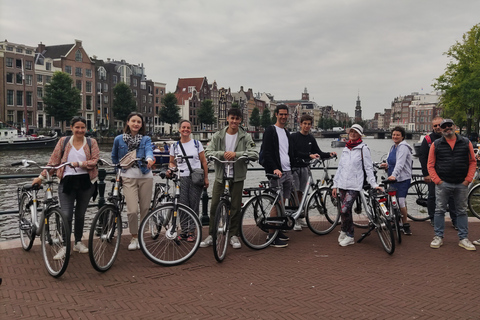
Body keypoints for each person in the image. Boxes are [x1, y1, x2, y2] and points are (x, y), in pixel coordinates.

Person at [32, 116, 99, 259]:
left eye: (82, 128)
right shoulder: (63, 142)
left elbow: (94, 161)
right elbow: (54, 162)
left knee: (80, 215)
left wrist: (79, 164)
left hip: (86, 182)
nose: (80, 130)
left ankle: (78, 242)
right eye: (77, 127)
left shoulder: (91, 142)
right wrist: (41, 177)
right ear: (71, 128)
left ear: (85, 129)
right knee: (66, 214)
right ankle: (65, 245)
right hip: (67, 182)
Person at [200, 108, 258, 249]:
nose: (234, 121)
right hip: (221, 176)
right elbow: (208, 151)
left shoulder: (245, 136)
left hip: (237, 176)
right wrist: (223, 154)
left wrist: (236, 154)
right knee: (214, 206)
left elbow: (254, 153)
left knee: (235, 206)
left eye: (237, 119)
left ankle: (233, 235)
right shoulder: (218, 136)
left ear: (240, 120)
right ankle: (212, 234)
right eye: (232, 118)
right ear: (227, 118)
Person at [427, 119, 476, 250]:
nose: (447, 128)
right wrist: (437, 180)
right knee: (439, 210)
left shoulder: (466, 142)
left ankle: (463, 238)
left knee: (461, 211)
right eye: (444, 126)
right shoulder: (436, 144)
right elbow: (430, 164)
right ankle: (438, 236)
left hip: (461, 182)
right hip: (444, 182)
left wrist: (468, 179)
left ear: (454, 126)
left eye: (449, 125)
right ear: (441, 129)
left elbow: (472, 161)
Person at [112, 112, 155, 251]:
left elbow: (149, 150)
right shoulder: (119, 139)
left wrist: (149, 159)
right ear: (128, 123)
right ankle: (134, 236)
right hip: (128, 176)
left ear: (141, 125)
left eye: (139, 122)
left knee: (145, 208)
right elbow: (114, 158)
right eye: (134, 121)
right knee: (132, 210)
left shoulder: (145, 139)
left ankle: (141, 236)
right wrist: (118, 173)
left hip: (145, 176)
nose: (136, 124)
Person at [332, 124, 380, 247]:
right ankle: (344, 230)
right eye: (351, 131)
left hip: (354, 184)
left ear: (360, 134)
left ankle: (350, 235)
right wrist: (335, 184)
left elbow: (368, 168)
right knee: (344, 211)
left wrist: (374, 184)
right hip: (343, 183)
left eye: (355, 132)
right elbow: (340, 168)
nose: (352, 134)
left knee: (345, 209)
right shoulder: (346, 148)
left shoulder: (363, 148)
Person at [290, 114, 336, 231]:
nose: (306, 126)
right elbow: (293, 152)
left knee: (302, 193)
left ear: (311, 125)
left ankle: (299, 216)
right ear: (300, 124)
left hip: (305, 168)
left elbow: (318, 152)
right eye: (304, 124)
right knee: (294, 194)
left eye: (309, 124)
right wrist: (308, 155)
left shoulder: (311, 138)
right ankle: (292, 219)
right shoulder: (294, 137)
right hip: (294, 168)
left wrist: (329, 154)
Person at [167, 120, 209, 241]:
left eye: (188, 128)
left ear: (190, 130)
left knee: (193, 204)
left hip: (195, 177)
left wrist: (206, 177)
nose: (186, 129)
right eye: (183, 127)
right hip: (181, 177)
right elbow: (171, 161)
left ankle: (192, 231)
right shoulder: (174, 146)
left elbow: (203, 161)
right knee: (182, 204)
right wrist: (171, 169)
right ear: (179, 129)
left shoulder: (197, 144)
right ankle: (184, 230)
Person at [261, 104, 295, 248]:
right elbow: (267, 152)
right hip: (277, 172)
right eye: (281, 114)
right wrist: (274, 168)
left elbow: (289, 152)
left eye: (285, 114)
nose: (283, 117)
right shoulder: (270, 130)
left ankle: (278, 230)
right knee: (276, 202)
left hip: (287, 171)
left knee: (283, 202)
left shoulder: (286, 132)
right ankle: (271, 235)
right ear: (276, 115)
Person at [418, 116, 457, 228]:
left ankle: (455, 220)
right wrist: (426, 174)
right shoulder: (428, 140)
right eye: (435, 126)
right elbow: (422, 156)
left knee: (451, 197)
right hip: (433, 173)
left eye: (439, 125)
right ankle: (433, 218)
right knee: (432, 196)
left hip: (449, 173)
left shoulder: (451, 138)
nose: (437, 127)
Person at [380, 126, 413, 235]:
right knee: (393, 202)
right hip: (392, 179)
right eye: (394, 134)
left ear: (402, 136)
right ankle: (396, 222)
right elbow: (391, 161)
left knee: (401, 201)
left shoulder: (403, 147)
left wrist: (394, 175)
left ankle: (405, 224)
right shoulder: (393, 147)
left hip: (402, 178)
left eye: (398, 135)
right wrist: (386, 165)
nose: (395, 136)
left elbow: (400, 163)